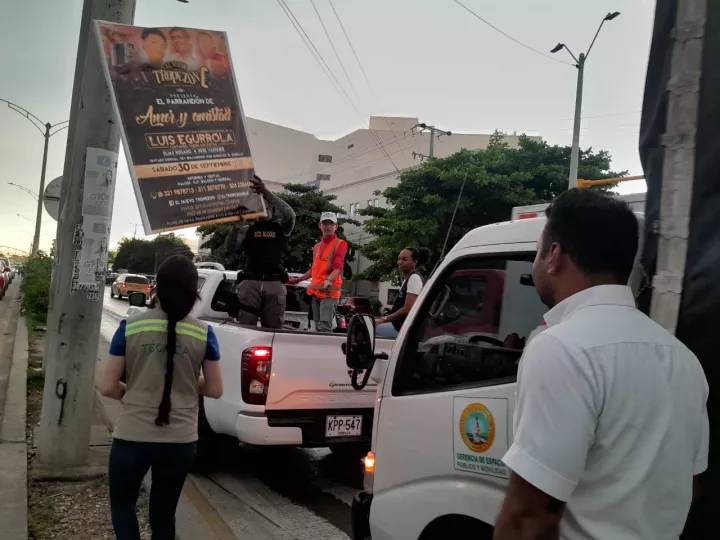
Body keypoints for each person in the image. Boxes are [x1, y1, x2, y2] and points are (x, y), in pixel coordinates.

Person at [494, 189, 709, 540]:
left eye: (537, 251)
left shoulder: (560, 347)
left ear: (554, 256)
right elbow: (691, 485)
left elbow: (528, 517)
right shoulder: (682, 357)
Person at [99, 255, 224, 540]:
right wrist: (185, 381)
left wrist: (135, 391)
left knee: (123, 505)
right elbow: (215, 389)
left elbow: (108, 387)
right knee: (164, 511)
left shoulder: (130, 327)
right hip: (181, 440)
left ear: (156, 288)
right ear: (194, 294)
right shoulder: (204, 333)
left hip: (133, 435)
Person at [224, 175, 296, 329]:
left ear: (272, 209)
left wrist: (266, 192)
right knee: (246, 326)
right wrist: (235, 227)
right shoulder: (246, 229)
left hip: (274, 283)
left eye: (266, 206)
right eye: (259, 206)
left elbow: (290, 215)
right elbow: (230, 248)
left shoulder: (281, 229)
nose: (263, 209)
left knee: (273, 329)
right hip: (250, 282)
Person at [289, 212, 348, 332]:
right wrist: (298, 280)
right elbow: (313, 270)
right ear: (320, 226)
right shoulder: (317, 247)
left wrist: (329, 280)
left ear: (336, 226)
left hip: (329, 293)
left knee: (325, 326)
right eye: (325, 223)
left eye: (331, 224)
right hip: (315, 292)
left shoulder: (340, 244)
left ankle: (327, 344)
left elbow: (338, 267)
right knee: (318, 326)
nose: (328, 226)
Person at [375, 247, 431, 338]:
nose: (399, 262)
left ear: (414, 262)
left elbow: (407, 308)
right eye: (399, 259)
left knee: (370, 328)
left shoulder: (414, 278)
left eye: (404, 260)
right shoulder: (407, 279)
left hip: (404, 328)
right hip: (399, 325)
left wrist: (384, 319)